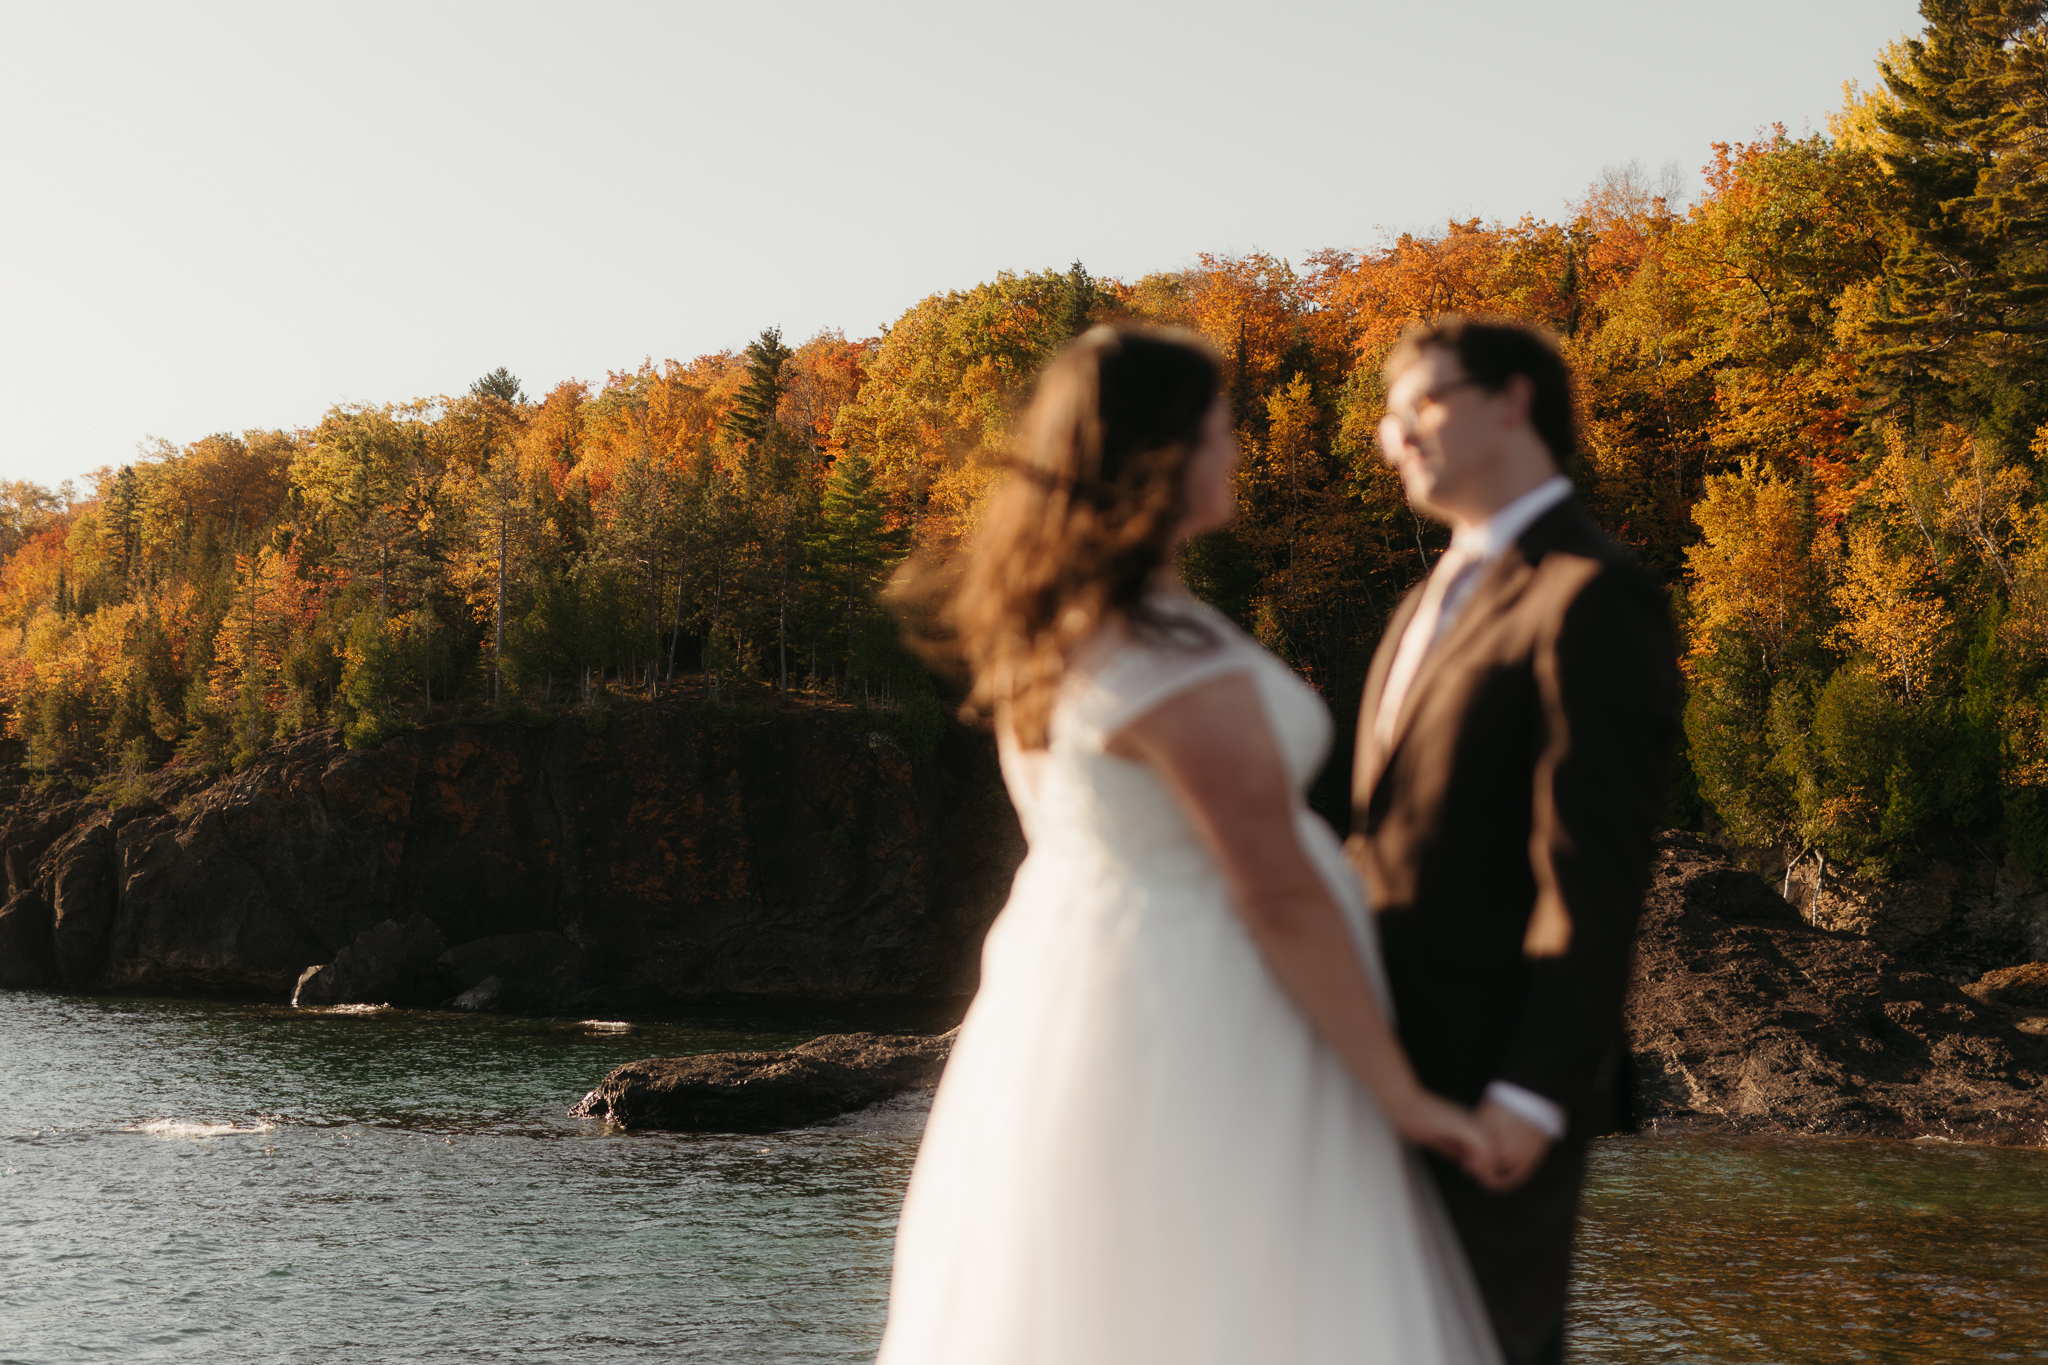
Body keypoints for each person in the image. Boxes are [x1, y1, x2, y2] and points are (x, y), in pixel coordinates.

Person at [876, 325, 1502, 1365]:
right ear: (1162, 455)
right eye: (1220, 430)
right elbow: (1273, 887)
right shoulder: (1163, 660)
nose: (1237, 452)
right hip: (1209, 1010)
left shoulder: (1062, 631)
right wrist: (1394, 1087)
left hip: (1076, 1001)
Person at [1351, 316, 1678, 1365]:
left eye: (1419, 404)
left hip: (1491, 1087)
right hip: (1373, 1076)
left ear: (1512, 403)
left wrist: (1530, 1093)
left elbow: (1591, 867)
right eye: (1386, 415)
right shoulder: (1418, 606)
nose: (1390, 436)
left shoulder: (1591, 595)